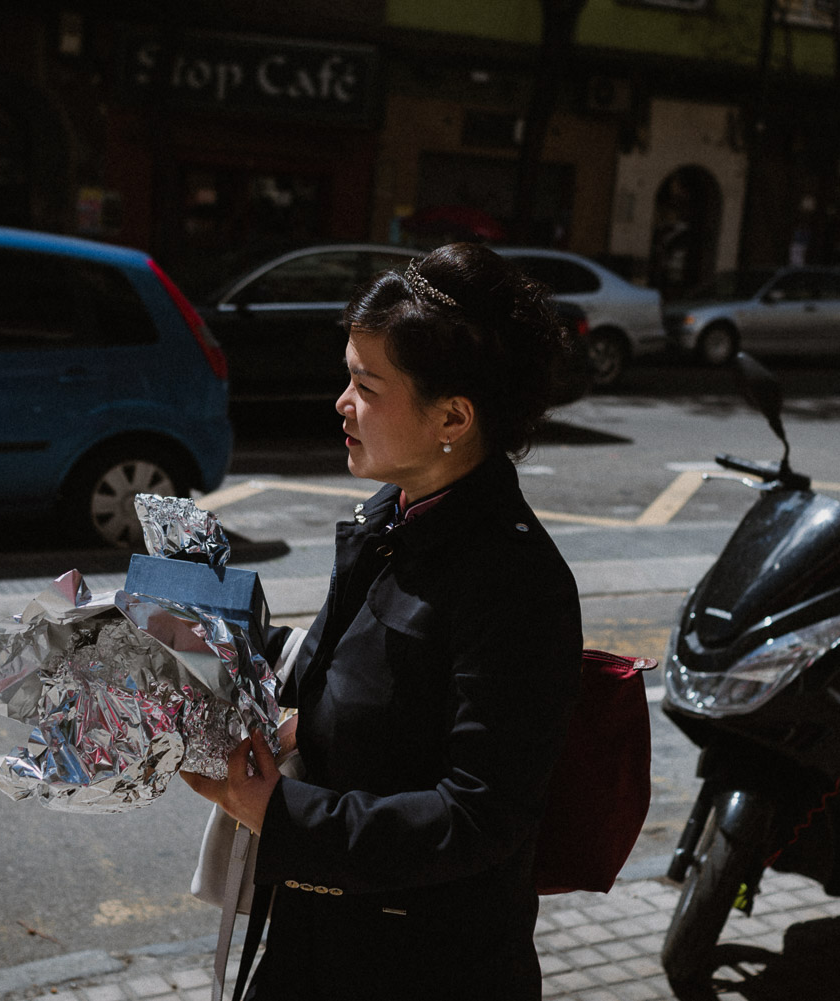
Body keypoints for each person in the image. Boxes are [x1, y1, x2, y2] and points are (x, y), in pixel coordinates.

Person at [182, 242, 583, 1001]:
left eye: (366, 385)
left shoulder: (516, 582)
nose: (341, 402)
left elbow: (480, 813)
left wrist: (283, 812)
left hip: (425, 965)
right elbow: (331, 672)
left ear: (453, 417)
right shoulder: (392, 517)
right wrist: (192, 633)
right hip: (318, 935)